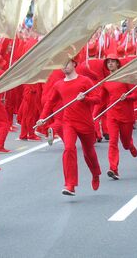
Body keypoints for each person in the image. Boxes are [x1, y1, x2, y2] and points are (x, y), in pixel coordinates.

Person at [37, 58, 101, 196]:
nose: (64, 66)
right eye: (61, 64)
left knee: (88, 152)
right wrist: (42, 118)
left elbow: (97, 99)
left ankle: (95, 174)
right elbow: (50, 102)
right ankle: (70, 185)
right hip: (68, 122)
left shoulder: (85, 81)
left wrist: (85, 99)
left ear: (74, 64)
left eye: (66, 63)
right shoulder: (58, 84)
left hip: (85, 122)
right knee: (69, 148)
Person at [101, 54, 137, 180]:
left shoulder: (125, 78)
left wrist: (126, 97)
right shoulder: (105, 82)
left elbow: (136, 95)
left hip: (126, 116)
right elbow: (100, 100)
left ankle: (130, 145)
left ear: (118, 63)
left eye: (112, 62)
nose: (110, 64)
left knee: (126, 144)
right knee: (112, 141)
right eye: (108, 62)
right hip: (112, 115)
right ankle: (113, 169)